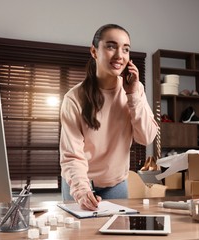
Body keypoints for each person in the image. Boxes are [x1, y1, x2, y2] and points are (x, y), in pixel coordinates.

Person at [59, 24, 158, 211]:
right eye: (111, 46)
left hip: (116, 185)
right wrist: (81, 190)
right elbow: (72, 155)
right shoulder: (74, 98)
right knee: (79, 238)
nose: (120, 55)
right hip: (80, 183)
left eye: (126, 49)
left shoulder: (136, 90)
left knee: (117, 238)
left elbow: (146, 138)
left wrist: (133, 96)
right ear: (94, 51)